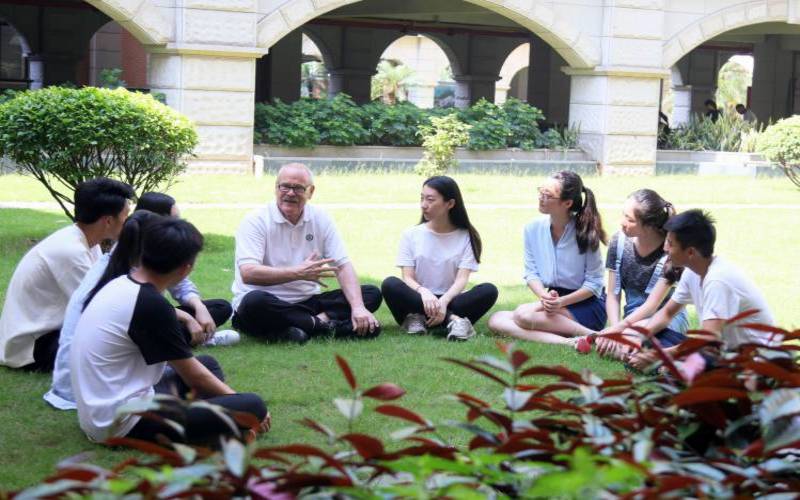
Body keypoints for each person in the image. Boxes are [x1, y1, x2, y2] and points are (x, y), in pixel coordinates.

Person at [70, 218, 269, 444]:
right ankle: (219, 429)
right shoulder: (150, 304)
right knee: (252, 405)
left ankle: (214, 423)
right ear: (186, 269)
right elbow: (193, 375)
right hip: (122, 423)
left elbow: (195, 370)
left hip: (101, 408)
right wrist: (241, 403)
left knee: (208, 364)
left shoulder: (122, 284)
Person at [231, 163, 382, 343]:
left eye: (298, 188)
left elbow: (342, 265)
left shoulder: (321, 218)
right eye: (285, 186)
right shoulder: (255, 220)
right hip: (267, 304)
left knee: (371, 293)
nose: (290, 193)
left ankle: (301, 328)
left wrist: (358, 307)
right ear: (275, 188)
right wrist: (298, 273)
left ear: (311, 192)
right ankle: (325, 327)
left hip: (307, 302)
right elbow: (248, 273)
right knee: (253, 302)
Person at [0, 178, 134, 371]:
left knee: (148, 329)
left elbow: (112, 291)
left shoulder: (87, 241)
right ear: (108, 220)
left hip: (54, 333)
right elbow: (103, 308)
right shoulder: (69, 251)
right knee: (134, 339)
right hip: (35, 347)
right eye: (125, 216)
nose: (127, 222)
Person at [627, 210, 775, 382]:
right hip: (721, 349)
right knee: (650, 338)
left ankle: (674, 370)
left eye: (670, 243)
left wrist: (660, 355)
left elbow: (708, 340)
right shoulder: (692, 271)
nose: (665, 248)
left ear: (690, 252)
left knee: (697, 359)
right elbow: (667, 314)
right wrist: (639, 338)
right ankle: (670, 368)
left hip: (751, 359)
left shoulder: (717, 281)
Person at [488, 171, 606, 347]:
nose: (541, 198)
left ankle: (595, 335)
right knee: (497, 319)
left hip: (586, 304)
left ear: (567, 203)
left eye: (548, 195)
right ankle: (572, 342)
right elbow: (531, 273)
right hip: (552, 299)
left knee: (523, 315)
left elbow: (594, 283)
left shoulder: (586, 233)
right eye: (541, 191)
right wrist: (544, 296)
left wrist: (561, 302)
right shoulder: (532, 229)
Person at [381, 176, 498, 341]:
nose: (423, 204)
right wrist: (423, 292)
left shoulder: (467, 237)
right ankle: (454, 320)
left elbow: (461, 280)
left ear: (450, 204)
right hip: (418, 298)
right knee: (390, 284)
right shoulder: (411, 235)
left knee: (489, 290)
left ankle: (422, 320)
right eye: (422, 198)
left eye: (430, 200)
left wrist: (443, 302)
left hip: (450, 298)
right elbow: (407, 277)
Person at [593, 190, 689, 359]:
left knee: (625, 346)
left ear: (649, 226)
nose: (622, 223)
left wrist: (620, 330)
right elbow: (613, 294)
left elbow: (652, 305)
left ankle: (661, 352)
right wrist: (615, 328)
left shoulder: (669, 251)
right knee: (617, 345)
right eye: (623, 215)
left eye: (630, 220)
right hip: (631, 321)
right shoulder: (619, 242)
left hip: (666, 319)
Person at [136, 192, 238, 347]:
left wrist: (199, 307)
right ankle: (193, 339)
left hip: (157, 311)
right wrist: (187, 318)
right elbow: (139, 304)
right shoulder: (131, 252)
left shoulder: (160, 247)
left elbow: (181, 286)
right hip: (137, 319)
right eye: (175, 220)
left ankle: (193, 336)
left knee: (221, 307)